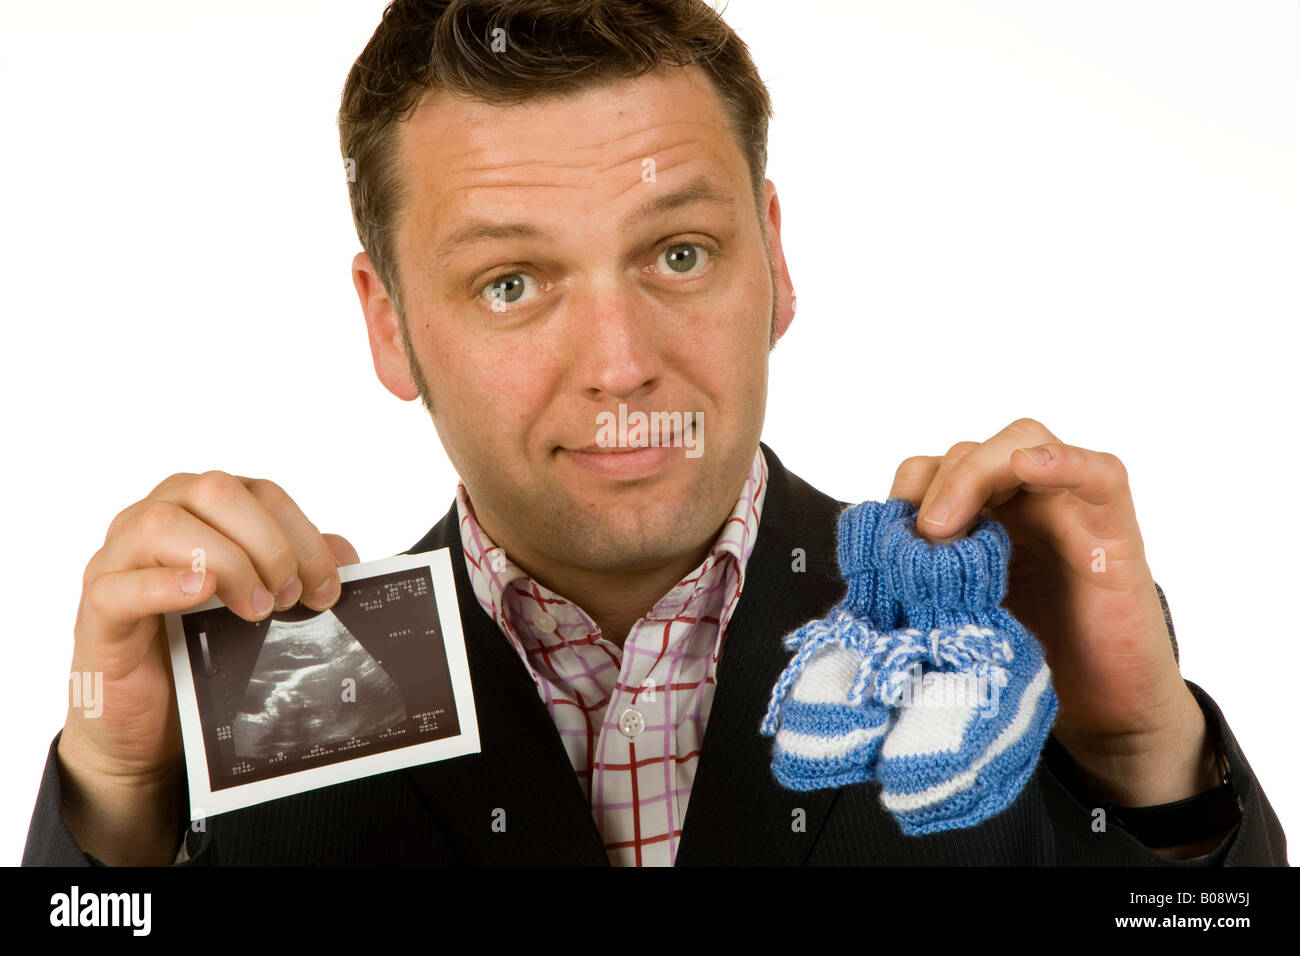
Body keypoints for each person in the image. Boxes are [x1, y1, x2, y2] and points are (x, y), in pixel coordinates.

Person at [22, 0, 1287, 867]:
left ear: (775, 261)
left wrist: (1141, 761)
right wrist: (119, 798)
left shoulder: (1002, 637)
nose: (623, 362)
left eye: (678, 253)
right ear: (391, 324)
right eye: (511, 281)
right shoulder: (266, 702)